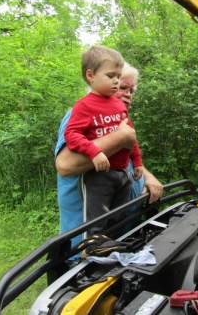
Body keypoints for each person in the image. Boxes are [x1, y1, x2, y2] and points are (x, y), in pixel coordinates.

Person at [55, 48, 163, 248]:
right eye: (122, 86)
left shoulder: (117, 116)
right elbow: (65, 165)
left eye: (131, 90)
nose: (128, 94)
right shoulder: (80, 113)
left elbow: (123, 152)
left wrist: (146, 175)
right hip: (85, 244)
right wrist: (121, 136)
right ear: (94, 79)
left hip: (122, 234)